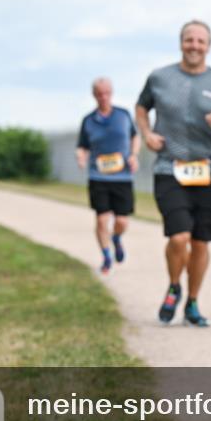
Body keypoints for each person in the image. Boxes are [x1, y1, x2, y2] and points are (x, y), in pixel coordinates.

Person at [136, 20, 211, 328]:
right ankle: (174, 286)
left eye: (200, 41)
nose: (194, 45)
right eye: (189, 40)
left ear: (208, 46)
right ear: (181, 43)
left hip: (209, 170)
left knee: (200, 242)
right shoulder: (159, 77)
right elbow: (141, 107)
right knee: (179, 235)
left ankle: (193, 302)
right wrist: (146, 133)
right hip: (168, 167)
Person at [76, 77, 139, 274]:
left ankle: (116, 238)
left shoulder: (123, 115)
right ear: (94, 95)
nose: (103, 97)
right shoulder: (88, 121)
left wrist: (134, 155)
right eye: (99, 94)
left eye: (107, 93)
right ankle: (106, 256)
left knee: (122, 221)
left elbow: (134, 137)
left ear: (111, 93)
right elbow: (82, 146)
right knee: (102, 220)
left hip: (122, 177)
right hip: (98, 176)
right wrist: (81, 158)